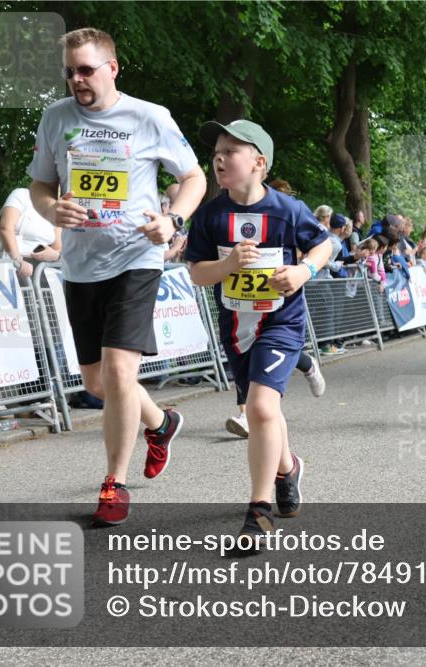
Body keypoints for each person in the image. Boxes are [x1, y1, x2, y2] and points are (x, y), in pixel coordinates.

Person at [27, 27, 207, 526]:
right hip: (81, 264)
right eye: (69, 72)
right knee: (97, 382)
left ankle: (114, 483)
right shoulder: (55, 117)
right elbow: (41, 186)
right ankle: (161, 421)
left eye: (86, 70)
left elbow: (193, 177)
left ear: (112, 68)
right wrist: (52, 210)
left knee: (121, 374)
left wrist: (173, 220)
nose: (77, 80)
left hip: (136, 258)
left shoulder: (150, 117)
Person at [186, 118, 332, 547]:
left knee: (260, 408)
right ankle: (287, 469)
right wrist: (228, 265)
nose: (219, 159)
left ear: (258, 162)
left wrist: (303, 271)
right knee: (263, 411)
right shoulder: (210, 215)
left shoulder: (287, 209)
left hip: (281, 323)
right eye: (216, 153)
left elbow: (325, 244)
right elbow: (197, 273)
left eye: (230, 151)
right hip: (236, 328)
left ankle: (259, 512)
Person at [225, 178, 327, 438]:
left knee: (264, 369)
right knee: (245, 360)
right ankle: (250, 415)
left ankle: (251, 413)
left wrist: (301, 270)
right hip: (240, 307)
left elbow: (316, 247)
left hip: (278, 306)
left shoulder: (289, 214)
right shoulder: (230, 216)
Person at [0, 187, 63, 280]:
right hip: (11, 263)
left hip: (41, 268)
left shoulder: (57, 209)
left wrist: (55, 255)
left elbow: (58, 247)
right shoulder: (22, 194)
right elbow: (6, 228)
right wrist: (18, 261)